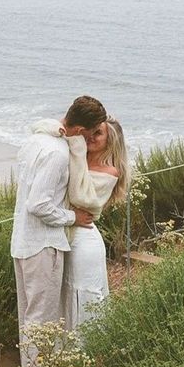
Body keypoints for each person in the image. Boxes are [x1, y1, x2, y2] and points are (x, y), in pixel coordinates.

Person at [10, 95, 107, 367]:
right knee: (42, 320)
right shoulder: (58, 153)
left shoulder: (36, 140)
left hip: (23, 241)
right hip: (44, 246)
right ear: (78, 131)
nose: (88, 141)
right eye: (89, 135)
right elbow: (38, 204)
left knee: (29, 317)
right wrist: (72, 217)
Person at [63, 116, 129, 330]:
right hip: (67, 234)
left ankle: (89, 354)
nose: (91, 136)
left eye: (98, 133)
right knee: (66, 296)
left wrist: (76, 147)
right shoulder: (77, 158)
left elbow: (78, 197)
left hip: (84, 242)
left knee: (85, 297)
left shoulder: (109, 173)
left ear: (110, 141)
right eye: (90, 130)